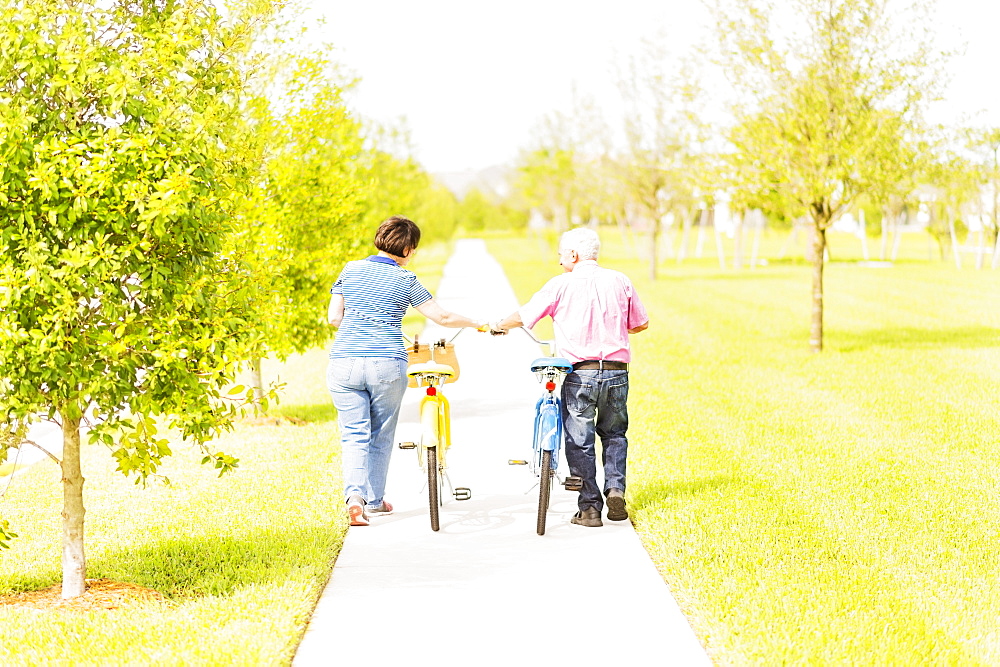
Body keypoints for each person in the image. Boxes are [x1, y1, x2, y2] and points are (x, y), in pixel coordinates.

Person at [327, 216, 486, 527]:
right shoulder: (406, 280)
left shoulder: (350, 269)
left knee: (354, 435)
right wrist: (477, 323)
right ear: (409, 249)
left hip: (344, 361)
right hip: (387, 362)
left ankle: (355, 498)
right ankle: (375, 501)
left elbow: (335, 318)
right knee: (380, 434)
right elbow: (441, 316)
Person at [489, 227, 649, 527]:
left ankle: (589, 509)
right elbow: (640, 324)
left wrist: (499, 324)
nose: (559, 258)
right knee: (614, 434)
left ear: (573, 255)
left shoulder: (560, 285)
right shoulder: (620, 280)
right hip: (616, 373)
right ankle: (615, 488)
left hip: (580, 374)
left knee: (580, 440)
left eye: (561, 253)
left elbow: (525, 316)